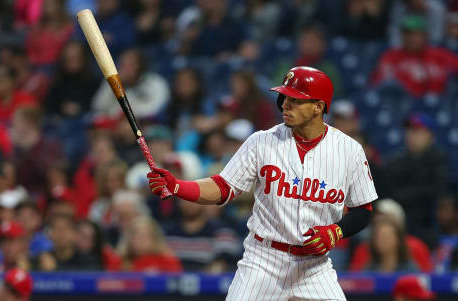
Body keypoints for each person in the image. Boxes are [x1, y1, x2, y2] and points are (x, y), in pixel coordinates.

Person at [148, 66, 377, 300]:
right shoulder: (261, 141)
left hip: (314, 268)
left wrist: (337, 231)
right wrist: (177, 186)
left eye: (296, 100)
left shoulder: (349, 151)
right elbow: (223, 187)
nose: (285, 105)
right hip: (264, 260)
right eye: (285, 97)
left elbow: (363, 210)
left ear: (319, 107)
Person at [384, 112, 448, 248]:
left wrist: (407, 195)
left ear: (431, 135)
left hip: (426, 225)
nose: (411, 135)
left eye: (417, 131)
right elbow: (388, 192)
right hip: (398, 222)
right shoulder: (397, 161)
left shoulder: (439, 160)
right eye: (409, 131)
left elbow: (436, 192)